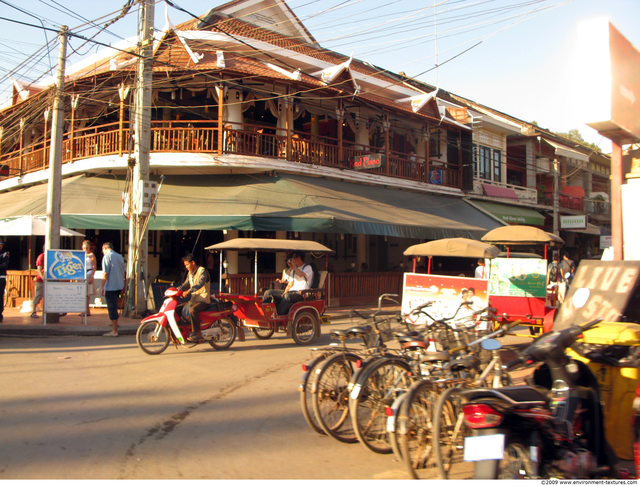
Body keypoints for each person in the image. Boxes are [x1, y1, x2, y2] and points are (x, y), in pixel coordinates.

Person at [263, 251, 313, 315]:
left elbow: (300, 274)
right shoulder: (294, 270)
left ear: (299, 258)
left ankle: (277, 315)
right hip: (291, 292)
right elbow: (290, 284)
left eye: (293, 258)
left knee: (287, 297)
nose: (292, 260)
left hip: (302, 294)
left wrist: (294, 266)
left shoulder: (307, 267)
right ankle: (265, 313)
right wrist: (285, 292)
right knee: (269, 292)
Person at [176, 254, 211, 342]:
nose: (186, 267)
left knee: (192, 310)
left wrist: (189, 291)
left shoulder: (202, 271)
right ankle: (183, 330)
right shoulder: (190, 273)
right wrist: (176, 290)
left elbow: (200, 283)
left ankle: (197, 333)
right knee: (177, 309)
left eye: (187, 264)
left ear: (193, 262)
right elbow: (185, 284)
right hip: (194, 300)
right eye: (185, 265)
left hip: (203, 300)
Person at [100, 242, 125, 337]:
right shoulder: (119, 257)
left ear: (105, 248)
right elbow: (124, 271)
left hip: (111, 285)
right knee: (115, 306)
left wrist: (102, 287)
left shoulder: (107, 257)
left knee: (112, 307)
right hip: (119, 284)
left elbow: (105, 273)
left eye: (102, 250)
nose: (102, 252)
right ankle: (115, 323)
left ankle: (114, 330)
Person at [81, 240, 97, 317]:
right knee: (82, 293)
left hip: (88, 273)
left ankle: (87, 311)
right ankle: (83, 310)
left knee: (87, 293)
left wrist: (92, 276)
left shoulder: (91, 255)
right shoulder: (81, 255)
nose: (85, 249)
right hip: (81, 274)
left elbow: (94, 266)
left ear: (89, 248)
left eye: (87, 248)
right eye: (84, 247)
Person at [31, 245, 45, 319]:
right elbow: (39, 269)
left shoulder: (52, 257)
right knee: (38, 294)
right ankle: (33, 311)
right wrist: (43, 278)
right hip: (41, 279)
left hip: (49, 279)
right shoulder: (41, 256)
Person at [0, 238, 8, 323]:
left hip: (1, 277)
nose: (1, 246)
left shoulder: (5, 253)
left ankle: (0, 314)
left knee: (0, 296)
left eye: (1, 244)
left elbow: (4, 265)